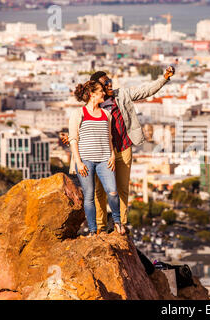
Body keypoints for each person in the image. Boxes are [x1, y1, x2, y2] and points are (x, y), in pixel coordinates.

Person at [62, 66, 175, 233]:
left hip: (122, 149)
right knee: (98, 192)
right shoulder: (89, 108)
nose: (109, 84)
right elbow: (80, 128)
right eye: (105, 83)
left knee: (120, 188)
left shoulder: (121, 95)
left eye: (110, 81)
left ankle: (120, 224)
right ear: (95, 87)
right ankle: (99, 227)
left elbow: (145, 91)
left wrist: (164, 78)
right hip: (100, 153)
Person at [69, 80, 125, 237]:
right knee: (89, 196)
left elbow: (109, 138)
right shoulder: (78, 114)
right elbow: (73, 139)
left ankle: (117, 222)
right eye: (100, 91)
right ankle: (93, 231)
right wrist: (78, 162)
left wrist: (112, 155)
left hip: (104, 159)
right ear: (92, 94)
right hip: (85, 160)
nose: (103, 93)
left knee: (112, 192)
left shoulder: (106, 114)